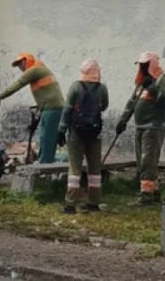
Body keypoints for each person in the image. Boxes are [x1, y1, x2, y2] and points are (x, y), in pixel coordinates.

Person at [116, 51, 165, 206]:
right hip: (140, 126)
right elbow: (132, 102)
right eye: (140, 65)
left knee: (148, 160)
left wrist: (153, 89)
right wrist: (123, 120)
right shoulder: (142, 83)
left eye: (145, 65)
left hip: (154, 127)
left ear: (152, 65)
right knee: (142, 161)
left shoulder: (163, 81)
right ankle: (153, 191)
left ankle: (146, 196)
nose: (142, 68)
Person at [0, 52, 65, 164]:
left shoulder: (34, 70)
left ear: (27, 60)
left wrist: (0, 96)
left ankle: (45, 164)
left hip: (52, 108)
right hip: (49, 107)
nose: (20, 67)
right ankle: (43, 160)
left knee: (48, 137)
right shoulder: (40, 69)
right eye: (18, 64)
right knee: (43, 135)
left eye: (21, 63)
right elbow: (46, 95)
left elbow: (18, 84)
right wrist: (37, 119)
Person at [56, 59, 109, 214]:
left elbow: (67, 109)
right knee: (94, 169)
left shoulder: (75, 86)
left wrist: (61, 129)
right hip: (94, 132)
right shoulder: (102, 89)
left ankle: (70, 204)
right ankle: (93, 202)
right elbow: (104, 106)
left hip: (76, 133)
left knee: (75, 168)